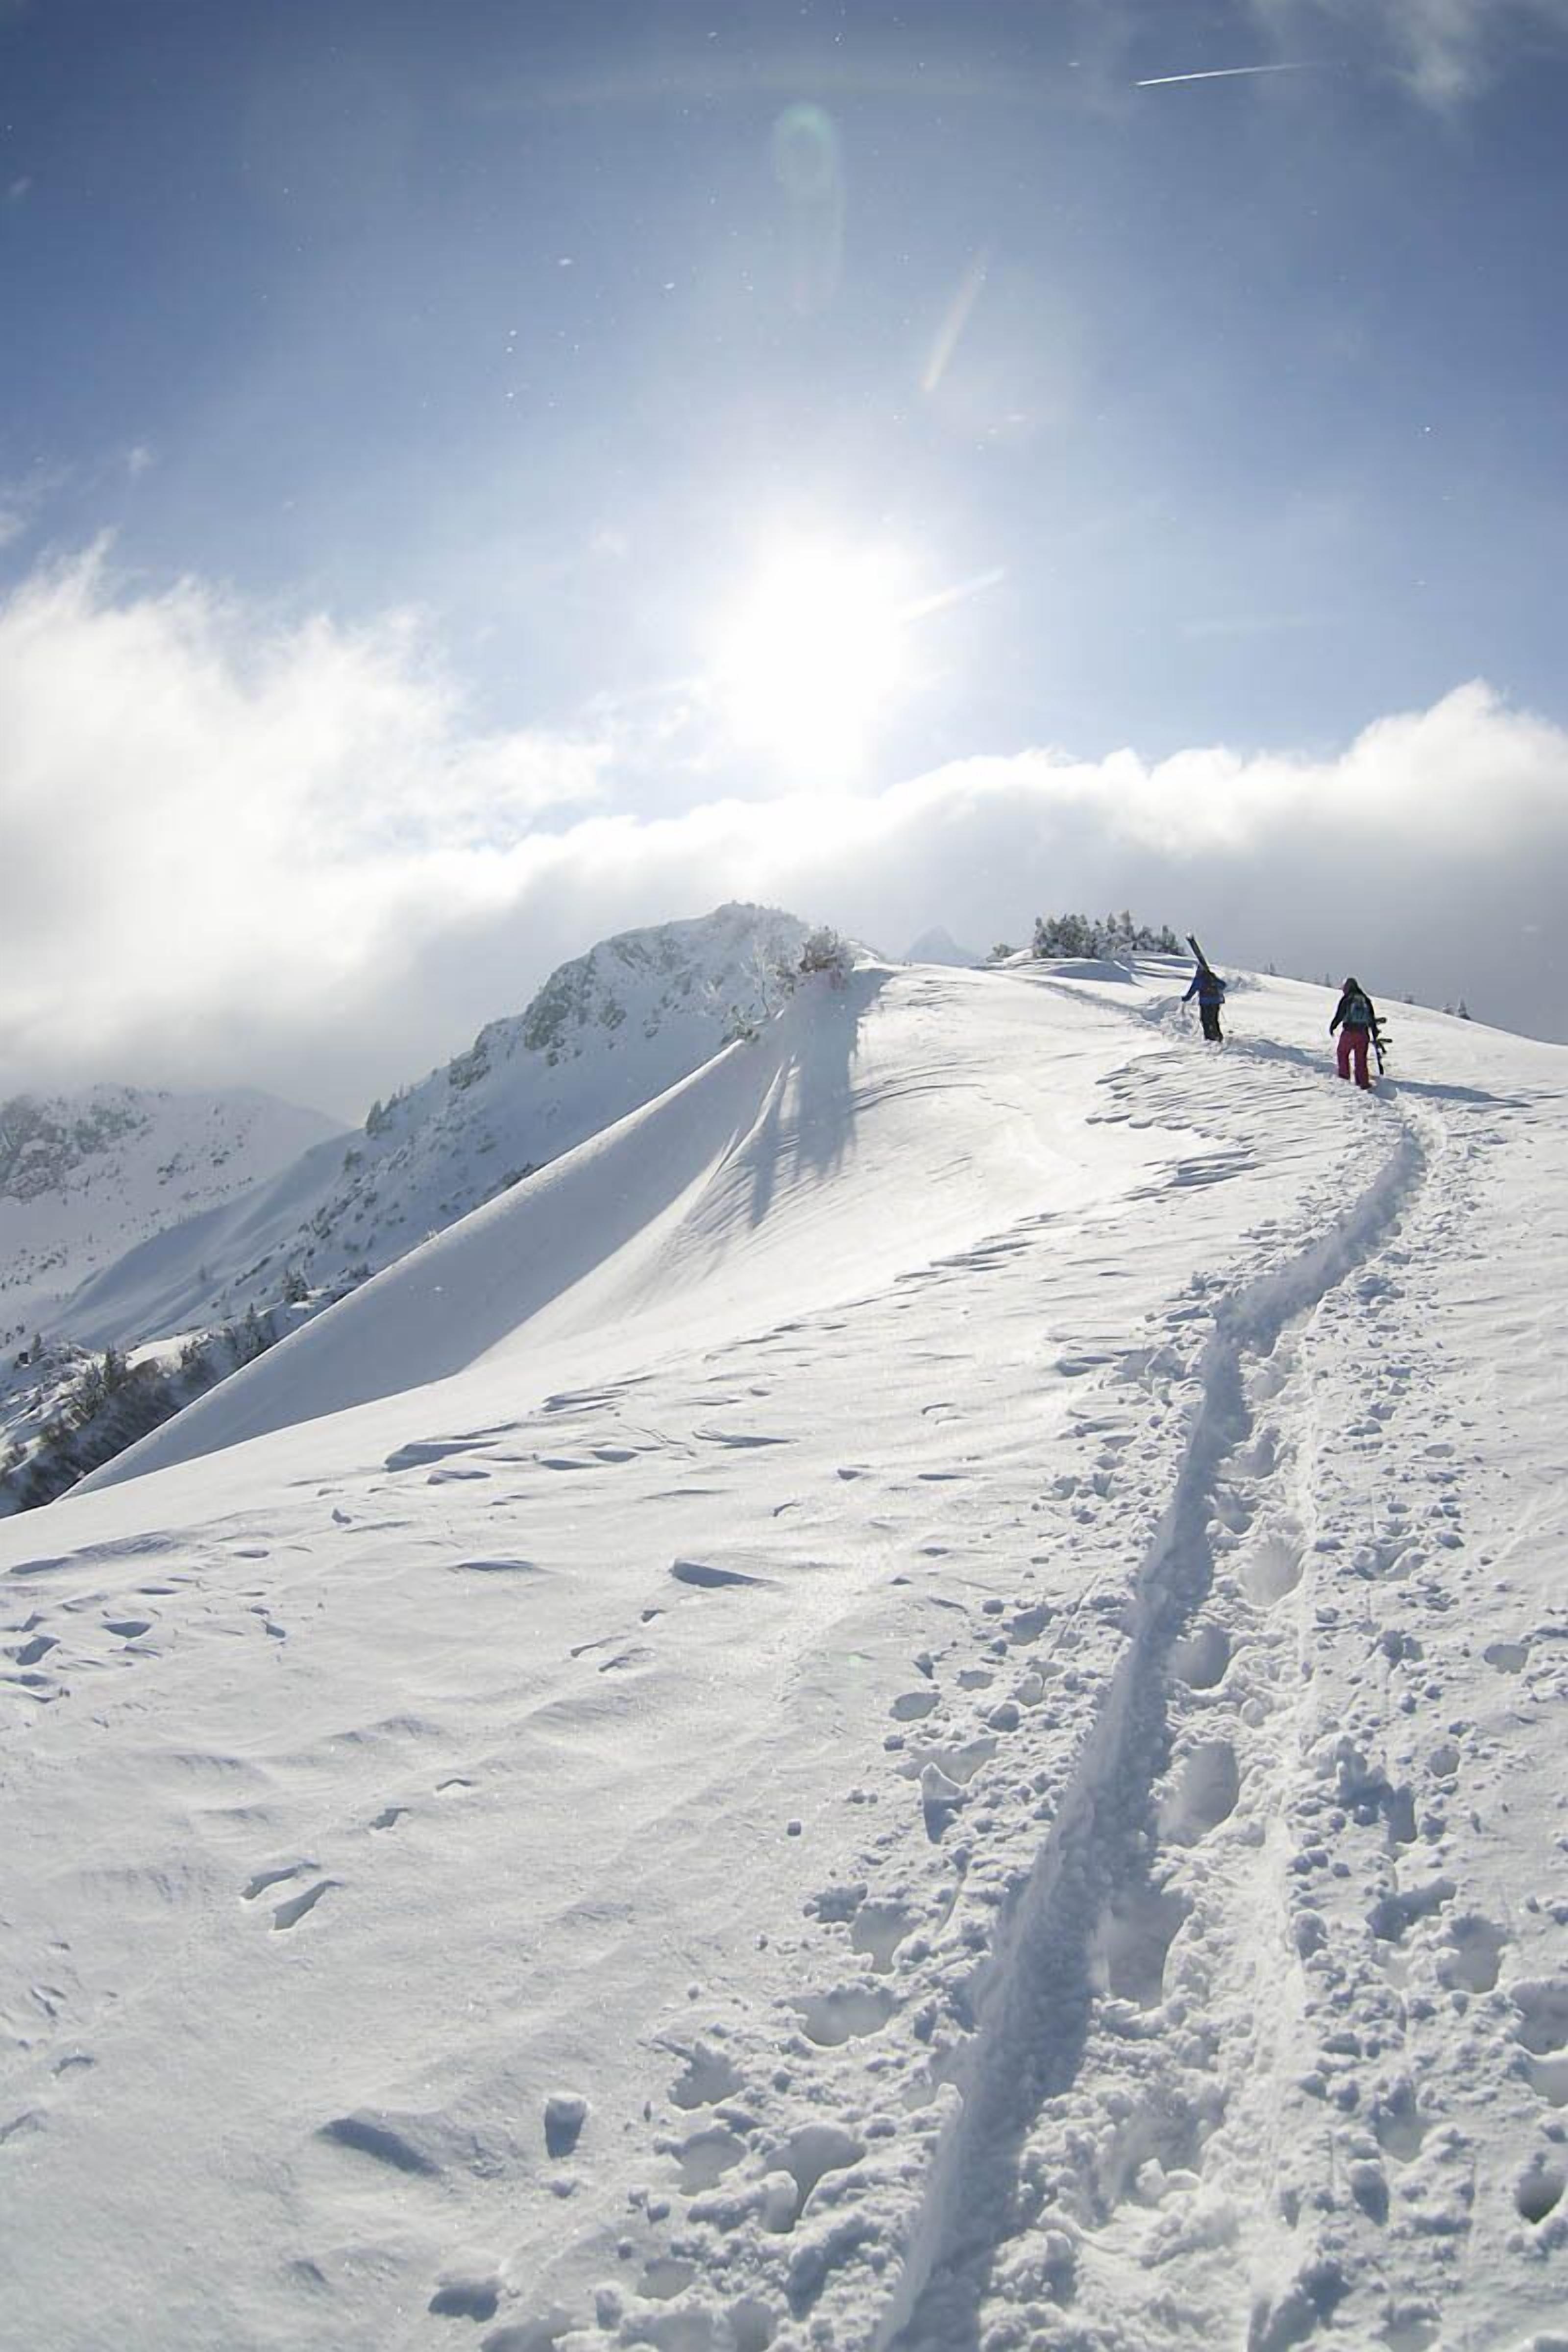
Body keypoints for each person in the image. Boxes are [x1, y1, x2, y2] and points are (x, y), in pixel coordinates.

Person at [1330, 976, 1381, 1088]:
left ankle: (1344, 1079)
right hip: (1363, 1034)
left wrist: (1333, 1026)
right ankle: (1363, 1082)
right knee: (1361, 1059)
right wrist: (1374, 1032)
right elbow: (1371, 1018)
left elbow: (1340, 1015)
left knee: (1343, 1053)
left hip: (1349, 1032)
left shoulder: (1347, 999)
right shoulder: (1365, 999)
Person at [1183, 957, 1226, 1042]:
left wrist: (1186, 998)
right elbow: (1223, 985)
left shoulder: (1199, 978)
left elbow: (1193, 989)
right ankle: (1218, 1035)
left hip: (1205, 1002)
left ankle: (1209, 1037)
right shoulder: (1212, 977)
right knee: (1213, 1019)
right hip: (1216, 1001)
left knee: (1205, 1020)